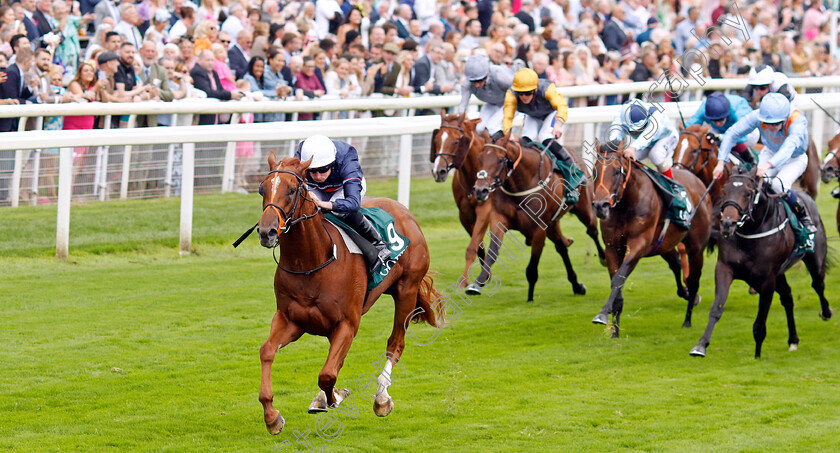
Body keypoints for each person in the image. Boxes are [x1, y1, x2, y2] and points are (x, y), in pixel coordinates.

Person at [713, 93, 816, 238]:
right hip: (770, 152)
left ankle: (803, 217)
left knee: (778, 186)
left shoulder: (797, 121)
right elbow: (732, 133)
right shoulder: (758, 116)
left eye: (775, 123)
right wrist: (720, 162)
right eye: (767, 123)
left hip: (794, 158)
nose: (771, 127)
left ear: (785, 118)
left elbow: (789, 147)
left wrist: (768, 165)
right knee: (754, 185)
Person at [293, 134, 391, 273]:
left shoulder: (347, 157)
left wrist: (325, 204)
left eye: (323, 170)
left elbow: (353, 203)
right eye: (312, 171)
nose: (318, 176)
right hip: (316, 188)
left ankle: (378, 243)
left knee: (339, 210)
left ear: (332, 164)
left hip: (343, 187)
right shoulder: (302, 153)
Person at [501, 67, 574, 173]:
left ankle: (571, 166)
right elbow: (507, 118)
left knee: (545, 137)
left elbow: (562, 105)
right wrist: (509, 135)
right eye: (520, 93)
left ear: (535, 90)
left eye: (528, 93)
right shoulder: (511, 94)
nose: (524, 97)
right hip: (531, 115)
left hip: (550, 113)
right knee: (526, 139)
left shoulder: (546, 88)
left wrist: (558, 124)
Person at [608, 99, 680, 179]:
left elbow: (648, 134)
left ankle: (673, 184)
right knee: (627, 160)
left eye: (640, 128)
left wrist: (633, 147)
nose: (635, 133)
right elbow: (615, 136)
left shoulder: (656, 116)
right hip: (647, 143)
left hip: (667, 137)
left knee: (655, 155)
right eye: (632, 130)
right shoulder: (620, 116)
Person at [686, 92, 758, 165]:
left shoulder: (739, 108)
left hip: (748, 133)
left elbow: (743, 135)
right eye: (714, 120)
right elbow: (688, 127)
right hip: (721, 130)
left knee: (729, 140)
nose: (717, 123)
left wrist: (719, 137)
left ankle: (751, 161)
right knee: (707, 139)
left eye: (721, 119)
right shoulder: (704, 107)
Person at [457, 54, 513, 136]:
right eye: (473, 81)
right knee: (479, 128)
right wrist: (462, 121)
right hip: (492, 102)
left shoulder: (500, 77)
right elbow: (462, 106)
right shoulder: (466, 84)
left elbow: (517, 92)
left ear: (487, 75)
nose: (476, 85)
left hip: (511, 102)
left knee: (492, 127)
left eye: (480, 80)